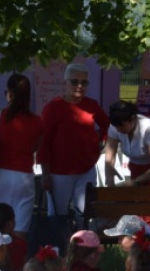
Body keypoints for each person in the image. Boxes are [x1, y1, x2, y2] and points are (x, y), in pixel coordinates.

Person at [39, 63, 110, 223]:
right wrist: (45, 174)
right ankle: (58, 241)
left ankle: (82, 239)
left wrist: (100, 144)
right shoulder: (53, 108)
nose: (79, 86)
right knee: (57, 217)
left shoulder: (92, 105)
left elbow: (107, 126)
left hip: (86, 170)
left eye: (84, 82)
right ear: (65, 82)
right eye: (75, 81)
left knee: (85, 216)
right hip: (59, 172)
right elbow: (44, 142)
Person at [0, 73, 44, 238]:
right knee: (19, 227)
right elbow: (35, 148)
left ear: (9, 93)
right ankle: (16, 254)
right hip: (23, 176)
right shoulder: (37, 122)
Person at [105, 101, 150, 187]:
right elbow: (110, 157)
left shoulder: (148, 127)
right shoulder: (114, 126)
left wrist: (136, 182)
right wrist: (109, 180)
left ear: (132, 119)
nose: (118, 130)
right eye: (116, 127)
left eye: (121, 126)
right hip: (136, 166)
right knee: (136, 194)